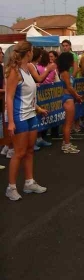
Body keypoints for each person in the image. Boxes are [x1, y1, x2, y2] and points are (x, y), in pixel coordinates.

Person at [5, 41, 48, 201]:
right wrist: (10, 122)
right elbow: (9, 97)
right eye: (31, 51)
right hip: (19, 116)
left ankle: (29, 182)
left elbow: (28, 96)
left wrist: (38, 109)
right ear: (28, 53)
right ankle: (11, 187)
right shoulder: (15, 72)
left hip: (31, 114)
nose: (33, 53)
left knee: (30, 150)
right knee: (19, 152)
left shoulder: (28, 70)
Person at [57, 52, 82, 153]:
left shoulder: (66, 72)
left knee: (68, 123)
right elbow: (69, 87)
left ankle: (66, 143)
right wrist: (76, 95)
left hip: (68, 97)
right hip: (68, 98)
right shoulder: (65, 73)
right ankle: (67, 145)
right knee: (68, 123)